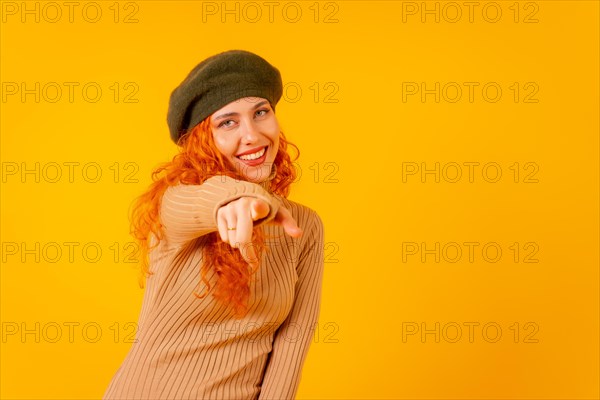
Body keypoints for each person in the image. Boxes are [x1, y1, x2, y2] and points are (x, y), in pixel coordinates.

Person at [102, 50, 325, 400]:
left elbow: (292, 342)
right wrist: (242, 201)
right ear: (204, 139)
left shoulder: (305, 225)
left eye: (261, 113)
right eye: (228, 122)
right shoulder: (173, 203)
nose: (252, 135)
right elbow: (205, 200)